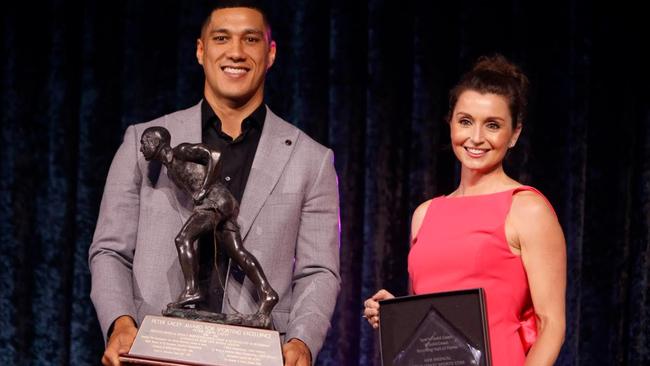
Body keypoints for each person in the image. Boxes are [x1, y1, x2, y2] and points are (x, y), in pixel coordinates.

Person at [88, 2, 341, 366]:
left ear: (270, 54)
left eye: (250, 39)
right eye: (222, 38)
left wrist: (301, 342)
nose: (236, 52)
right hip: (155, 351)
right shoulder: (141, 141)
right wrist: (121, 323)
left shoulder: (311, 160)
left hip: (255, 355)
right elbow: (110, 250)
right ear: (200, 50)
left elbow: (319, 271)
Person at [363, 54, 566, 366]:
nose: (476, 137)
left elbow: (551, 325)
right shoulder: (425, 214)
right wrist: (395, 314)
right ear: (451, 125)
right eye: (465, 121)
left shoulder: (527, 208)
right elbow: (436, 317)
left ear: (514, 134)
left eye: (493, 125)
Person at [139, 126, 278, 321]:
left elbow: (214, 154)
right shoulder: (170, 171)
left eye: (144, 142)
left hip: (216, 201)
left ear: (155, 141)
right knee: (237, 252)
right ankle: (267, 292)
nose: (142, 148)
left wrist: (205, 188)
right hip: (221, 202)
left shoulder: (181, 151)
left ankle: (191, 290)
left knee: (182, 239)